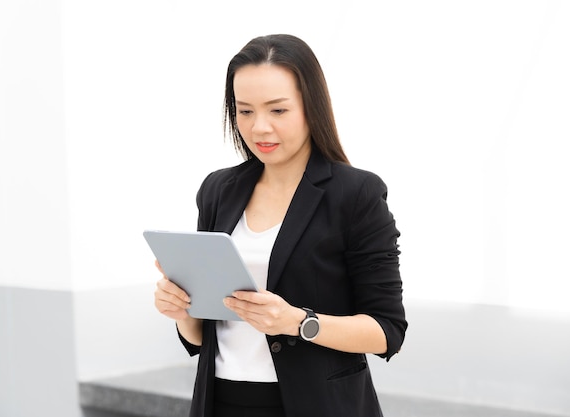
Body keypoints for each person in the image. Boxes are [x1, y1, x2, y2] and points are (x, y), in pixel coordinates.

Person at [154, 34, 407, 417]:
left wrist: (298, 322)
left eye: (278, 110)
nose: (259, 129)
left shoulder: (356, 194)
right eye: (245, 111)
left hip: (316, 406)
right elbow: (203, 337)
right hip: (221, 401)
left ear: (311, 107)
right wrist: (183, 312)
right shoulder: (218, 190)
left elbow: (387, 331)